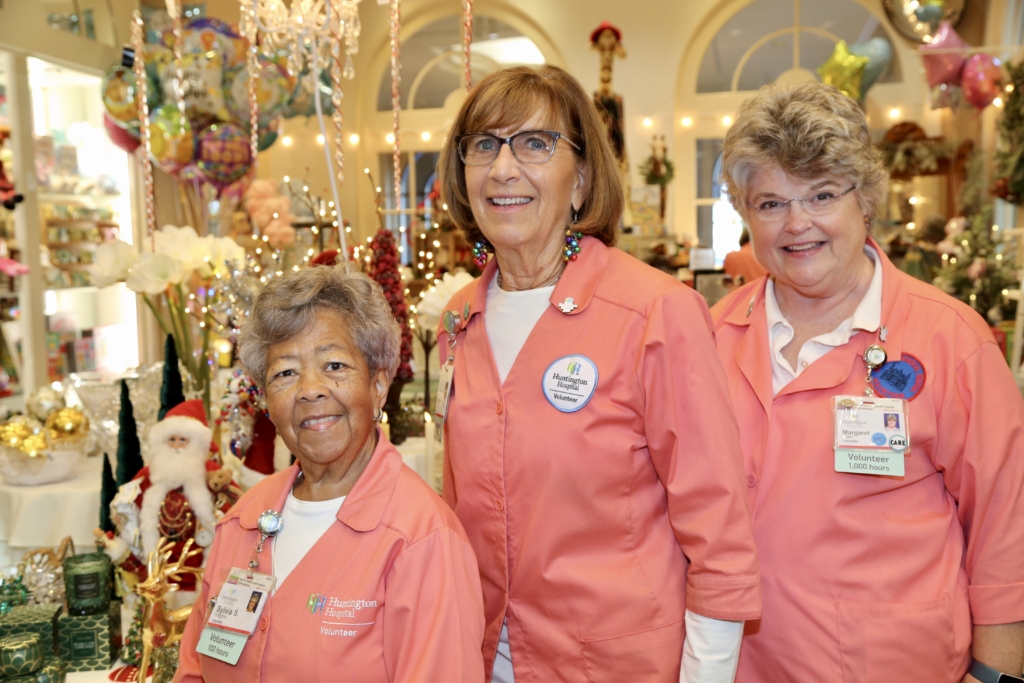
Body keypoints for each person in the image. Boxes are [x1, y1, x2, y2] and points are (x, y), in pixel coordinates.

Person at [436, 65, 761, 683]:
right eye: (484, 145)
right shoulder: (459, 319)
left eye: (535, 143)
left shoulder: (654, 313)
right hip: (484, 661)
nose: (504, 167)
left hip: (620, 665)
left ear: (581, 179)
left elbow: (718, 529)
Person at [712, 80, 1024, 683]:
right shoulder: (708, 336)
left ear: (866, 199)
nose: (797, 224)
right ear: (747, 216)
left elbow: (1006, 534)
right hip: (739, 665)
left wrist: (993, 678)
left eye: (822, 194)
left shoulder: (951, 340)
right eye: (770, 203)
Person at [175, 264, 485, 683]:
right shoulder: (243, 518)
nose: (310, 388)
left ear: (378, 385)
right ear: (267, 401)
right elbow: (195, 670)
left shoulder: (422, 540)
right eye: (285, 372)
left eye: (335, 365)